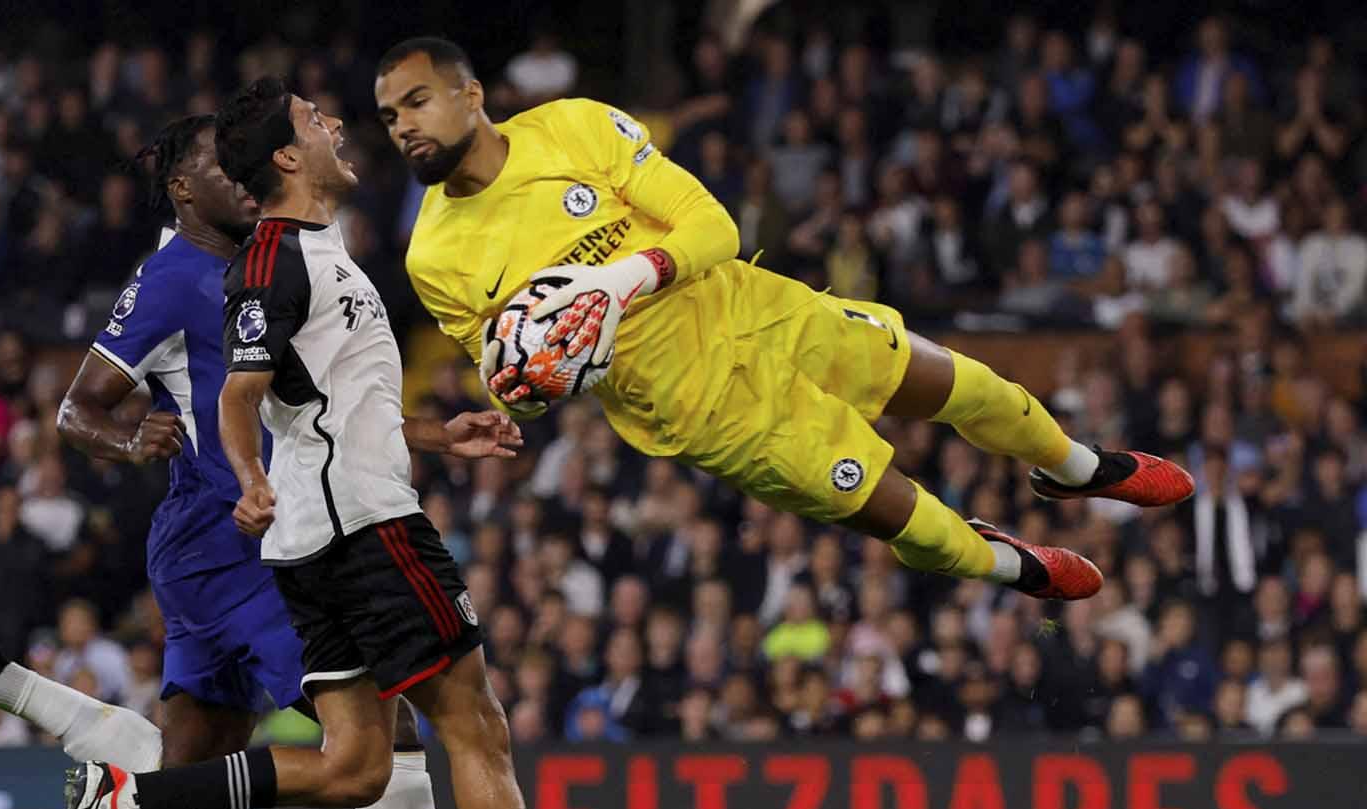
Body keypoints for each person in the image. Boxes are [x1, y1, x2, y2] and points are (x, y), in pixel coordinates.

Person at [0, 115, 519, 809]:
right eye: (223, 168)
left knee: (181, 768)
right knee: (377, 736)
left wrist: (433, 434)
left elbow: (322, 408)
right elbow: (75, 411)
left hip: (237, 536)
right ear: (183, 189)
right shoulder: (172, 276)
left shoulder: (275, 263)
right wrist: (128, 438)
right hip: (235, 539)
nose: (244, 179)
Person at [375, 37, 1196, 603]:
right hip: (708, 410)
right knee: (916, 523)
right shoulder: (433, 255)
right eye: (388, 116)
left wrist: (616, 283)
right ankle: (1008, 566)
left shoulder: (573, 127)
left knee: (969, 384)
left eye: (417, 101)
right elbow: (516, 379)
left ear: (470, 95)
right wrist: (532, 380)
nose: (405, 124)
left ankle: (1074, 466)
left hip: (761, 309)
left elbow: (715, 228)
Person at [54, 82, 562, 809]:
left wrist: (438, 435)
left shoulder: (298, 249)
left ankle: (127, 794)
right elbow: (232, 398)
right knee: (473, 722)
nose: (336, 127)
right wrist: (241, 478)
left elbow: (320, 400)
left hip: (305, 526)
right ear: (285, 157)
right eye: (315, 122)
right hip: (338, 525)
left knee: (351, 762)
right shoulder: (261, 262)